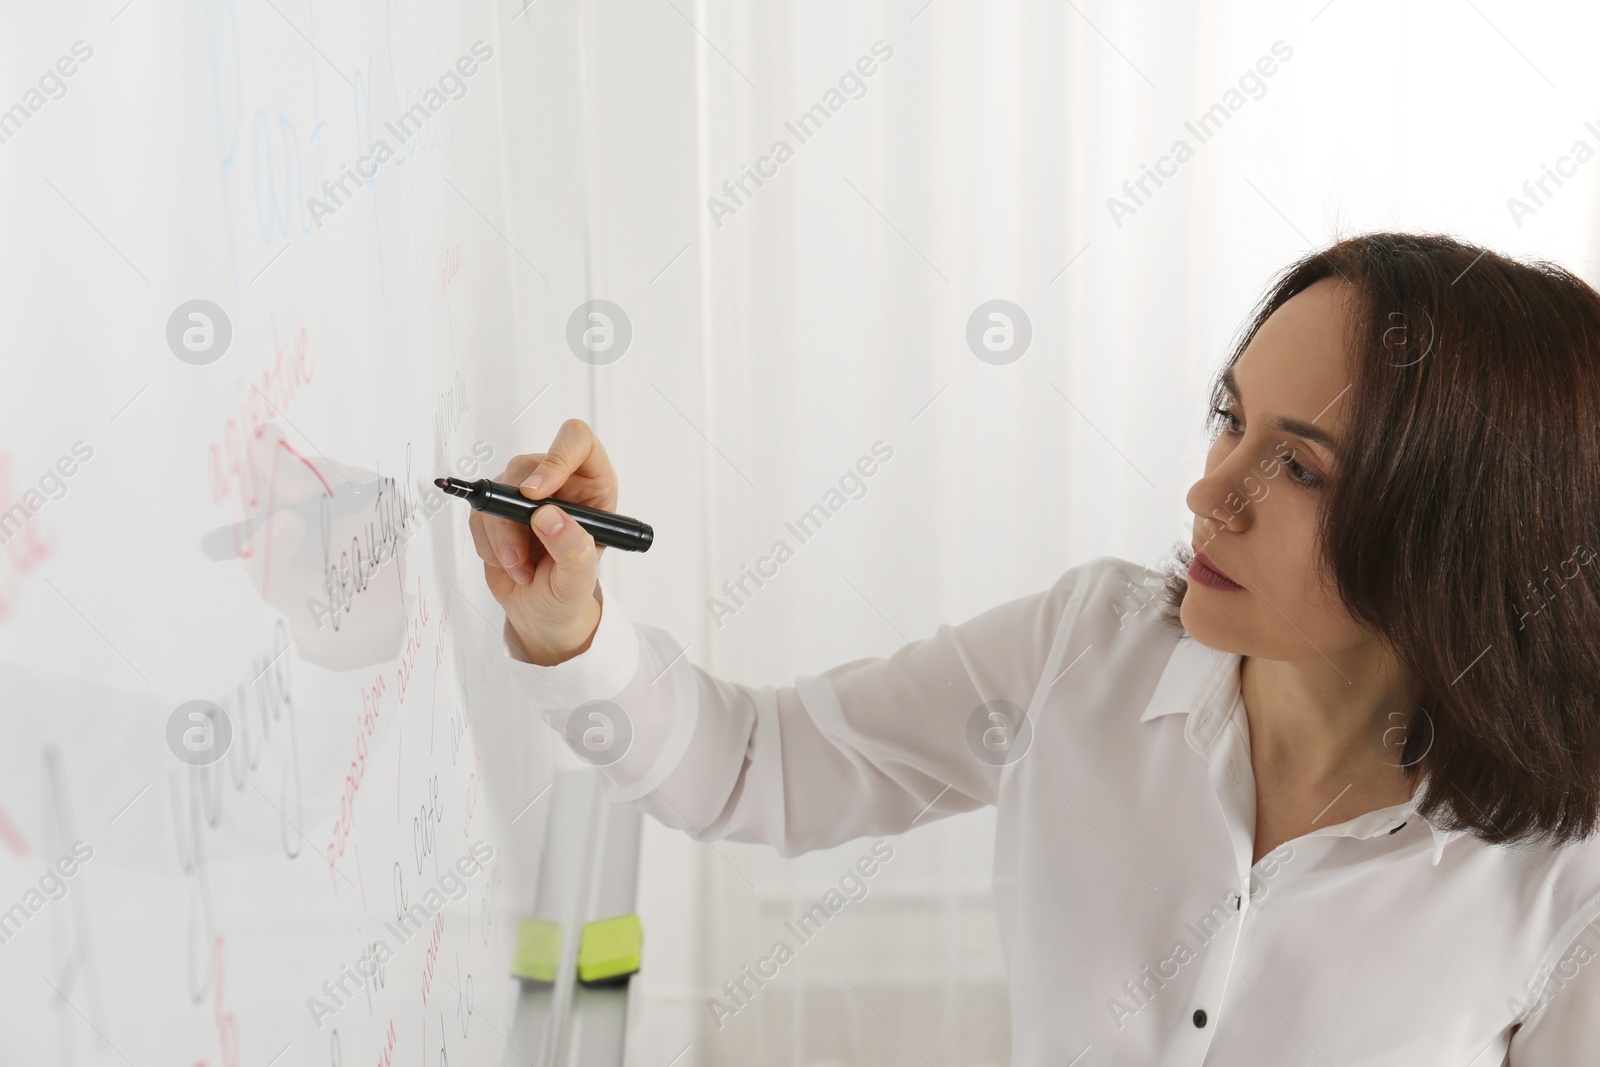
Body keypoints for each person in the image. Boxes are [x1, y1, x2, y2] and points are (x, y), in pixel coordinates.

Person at [467, 232, 1600, 1064]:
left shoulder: (1567, 876)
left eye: (1296, 466)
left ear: (1460, 533)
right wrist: (570, 626)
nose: (1209, 490)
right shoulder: (1088, 650)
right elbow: (754, 765)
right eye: (1228, 416)